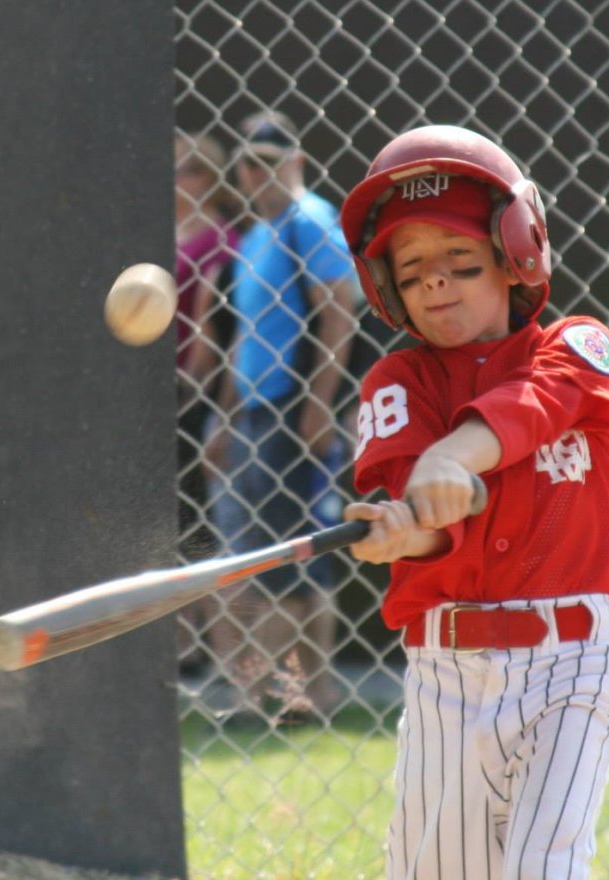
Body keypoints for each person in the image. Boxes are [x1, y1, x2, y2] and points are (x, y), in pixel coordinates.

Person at [340, 125, 609, 879]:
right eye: (411, 272)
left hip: (572, 660)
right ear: (388, 289)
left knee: (545, 866)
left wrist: (450, 456)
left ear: (514, 257)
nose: (435, 282)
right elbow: (432, 531)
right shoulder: (397, 383)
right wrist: (403, 533)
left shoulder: (577, 348)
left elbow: (534, 407)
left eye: (461, 261)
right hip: (447, 670)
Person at [206, 111, 358, 721]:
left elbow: (339, 312)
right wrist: (223, 420)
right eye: (248, 161)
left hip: (295, 415)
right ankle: (277, 695)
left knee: (293, 563)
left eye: (271, 160)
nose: (257, 171)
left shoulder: (310, 221)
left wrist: (321, 404)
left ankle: (292, 699)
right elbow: (244, 338)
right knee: (257, 558)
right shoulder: (253, 237)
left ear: (296, 161)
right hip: (252, 416)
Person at [173, 130, 244, 674]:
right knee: (173, 518)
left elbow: (211, 328)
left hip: (192, 393)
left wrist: (196, 391)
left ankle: (204, 646)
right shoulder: (171, 233)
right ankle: (185, 638)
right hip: (163, 390)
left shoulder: (222, 240)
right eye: (177, 169)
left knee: (199, 517)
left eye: (194, 169)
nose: (183, 180)